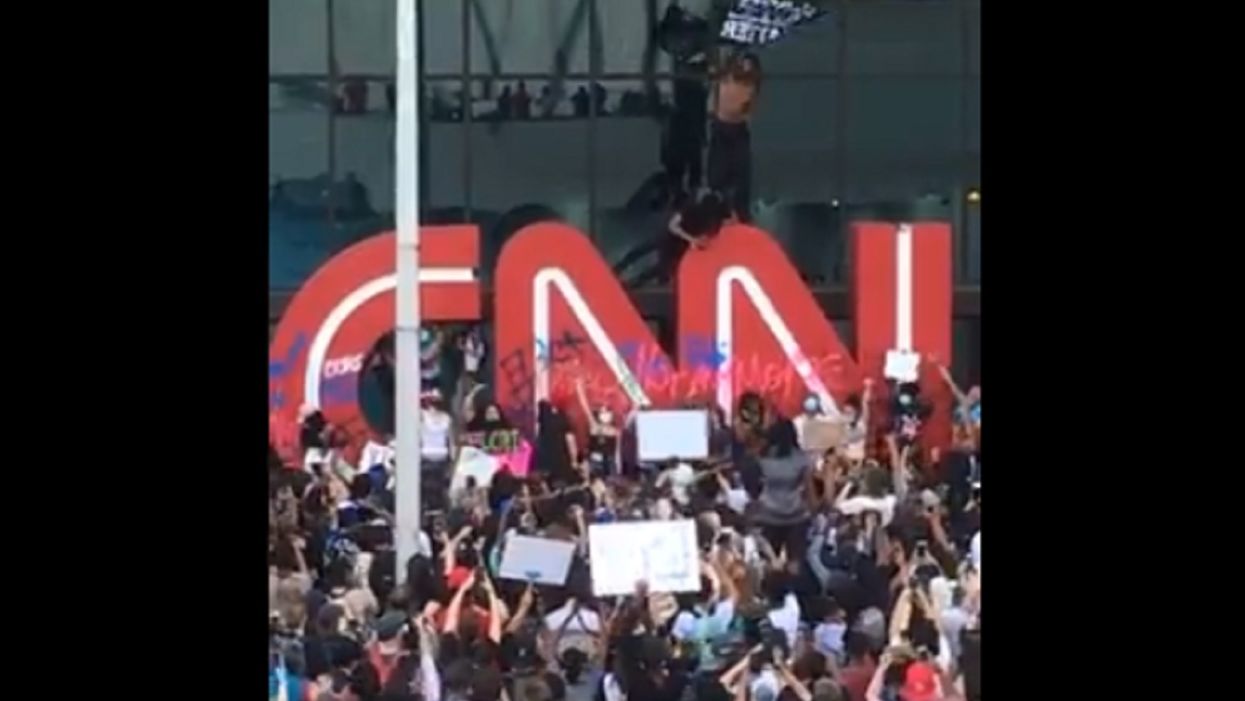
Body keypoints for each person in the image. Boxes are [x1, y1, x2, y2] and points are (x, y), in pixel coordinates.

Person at [753, 418, 813, 562]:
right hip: (796, 515)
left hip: (768, 514)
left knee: (767, 562)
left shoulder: (762, 458)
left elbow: (755, 486)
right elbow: (809, 489)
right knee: (796, 563)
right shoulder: (801, 458)